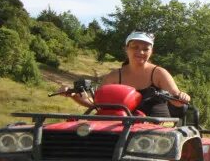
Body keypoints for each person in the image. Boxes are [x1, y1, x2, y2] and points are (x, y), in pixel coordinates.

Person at [62, 31, 191, 118]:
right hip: (120, 127)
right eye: (135, 47)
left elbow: (177, 100)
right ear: (126, 49)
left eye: (146, 49)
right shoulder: (113, 76)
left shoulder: (158, 73)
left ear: (152, 51)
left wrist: (183, 97)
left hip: (153, 131)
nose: (140, 52)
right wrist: (73, 95)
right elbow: (97, 105)